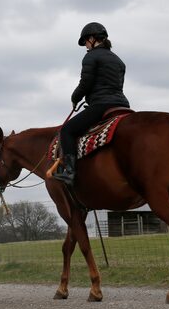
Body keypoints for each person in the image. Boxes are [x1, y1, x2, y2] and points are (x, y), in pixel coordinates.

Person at [53, 22, 130, 187]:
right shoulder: (119, 60)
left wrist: (75, 97)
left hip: (102, 105)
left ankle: (70, 172)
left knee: (66, 130)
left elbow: (85, 83)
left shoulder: (91, 56)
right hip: (123, 105)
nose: (86, 46)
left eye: (86, 42)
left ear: (92, 39)